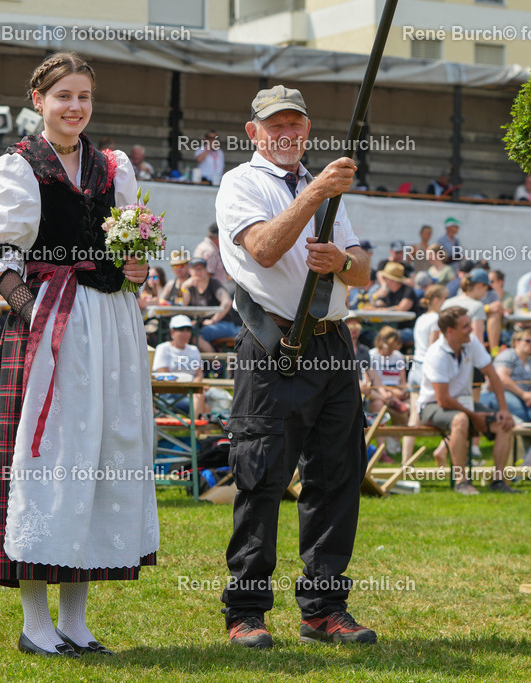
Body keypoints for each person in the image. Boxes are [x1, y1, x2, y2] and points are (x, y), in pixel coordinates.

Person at [0, 51, 159, 657]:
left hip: (110, 326)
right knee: (45, 462)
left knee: (99, 459)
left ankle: (75, 620)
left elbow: (134, 255)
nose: (74, 107)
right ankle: (34, 621)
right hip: (49, 330)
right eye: (63, 97)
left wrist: (135, 267)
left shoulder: (113, 166)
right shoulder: (18, 168)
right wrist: (42, 315)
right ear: (38, 101)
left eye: (83, 96)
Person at [215, 84, 375, 648]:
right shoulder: (242, 183)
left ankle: (324, 608)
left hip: (333, 345)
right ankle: (247, 611)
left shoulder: (322, 182)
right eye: (275, 125)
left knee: (337, 478)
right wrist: (316, 196)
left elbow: (362, 270)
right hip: (274, 346)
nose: (287, 134)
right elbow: (263, 247)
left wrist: (343, 261)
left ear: (307, 129)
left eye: (296, 125)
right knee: (262, 478)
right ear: (254, 132)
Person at [417, 307, 516, 495]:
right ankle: (462, 482)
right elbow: (443, 400)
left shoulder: (471, 343)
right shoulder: (435, 354)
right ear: (450, 331)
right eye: (465, 326)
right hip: (431, 407)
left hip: (464, 405)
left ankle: (498, 481)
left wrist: (504, 409)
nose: (471, 329)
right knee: (461, 419)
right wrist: (474, 416)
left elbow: (493, 376)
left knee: (505, 424)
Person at [405, 284, 448, 464]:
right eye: (444, 299)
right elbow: (433, 348)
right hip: (426, 371)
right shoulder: (436, 319)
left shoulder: (421, 318)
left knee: (413, 417)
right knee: (447, 410)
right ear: (437, 300)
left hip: (415, 367)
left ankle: (405, 461)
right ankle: (443, 452)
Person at [480, 330, 531, 423]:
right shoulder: (508, 354)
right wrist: (523, 394)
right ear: (517, 342)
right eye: (528, 341)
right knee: (518, 410)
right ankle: (523, 429)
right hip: (500, 393)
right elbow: (501, 378)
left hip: (524, 397)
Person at [181, 258, 241, 352]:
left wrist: (213, 320)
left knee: (196, 337)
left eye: (200, 269)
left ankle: (217, 365)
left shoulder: (214, 284)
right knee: (183, 333)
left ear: (206, 270)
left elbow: (227, 302)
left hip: (223, 324)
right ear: (190, 271)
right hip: (202, 325)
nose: (198, 272)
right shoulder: (190, 287)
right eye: (195, 269)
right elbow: (183, 306)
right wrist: (184, 288)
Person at [152, 315, 206, 416]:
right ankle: (192, 429)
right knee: (204, 406)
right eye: (181, 329)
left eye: (188, 330)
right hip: (169, 394)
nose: (185, 333)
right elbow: (162, 373)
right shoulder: (163, 348)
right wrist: (188, 387)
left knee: (201, 400)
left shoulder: (194, 350)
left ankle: (192, 429)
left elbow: (199, 373)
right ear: (172, 332)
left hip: (190, 393)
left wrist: (193, 386)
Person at [374, 262, 422, 347]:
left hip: (409, 330)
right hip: (392, 328)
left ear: (392, 280)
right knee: (372, 335)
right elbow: (377, 304)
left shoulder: (408, 291)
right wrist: (377, 296)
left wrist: (382, 309)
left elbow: (401, 308)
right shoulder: (388, 292)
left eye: (385, 278)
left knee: (386, 337)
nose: (383, 280)